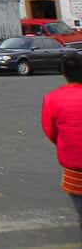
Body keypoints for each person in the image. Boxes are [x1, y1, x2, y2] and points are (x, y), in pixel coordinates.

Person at [42, 50, 82, 226]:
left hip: (73, 166)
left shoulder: (52, 99)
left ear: (63, 73)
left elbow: (51, 132)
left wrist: (67, 143)